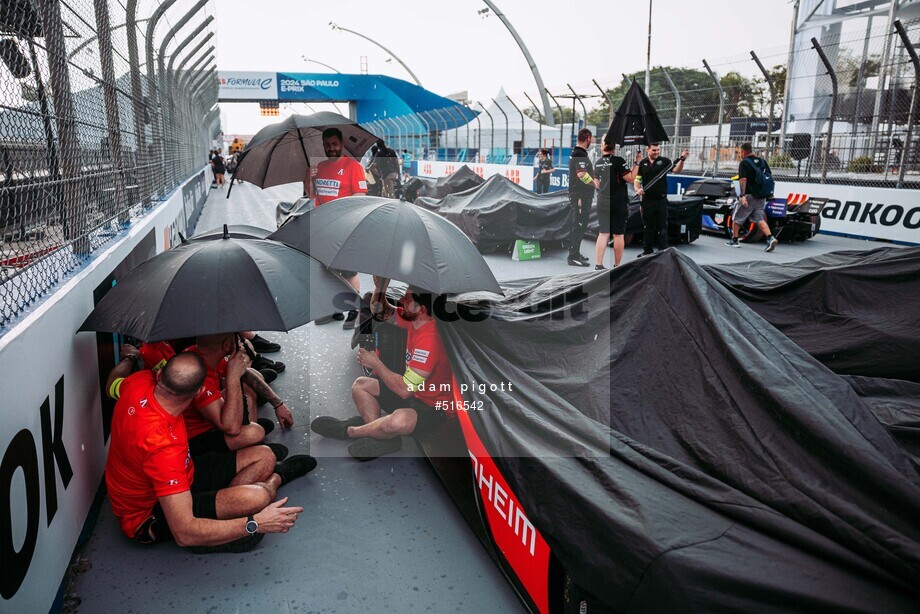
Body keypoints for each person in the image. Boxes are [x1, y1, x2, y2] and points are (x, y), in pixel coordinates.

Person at [105, 352, 315, 553]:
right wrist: (256, 523)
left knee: (265, 455)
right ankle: (275, 480)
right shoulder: (164, 448)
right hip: (150, 513)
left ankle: (237, 503)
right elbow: (184, 533)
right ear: (197, 392)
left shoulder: (138, 382)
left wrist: (129, 358)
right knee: (258, 497)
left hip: (182, 474)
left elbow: (111, 384)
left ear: (159, 375)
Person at [310, 277, 452, 461]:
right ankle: (384, 437)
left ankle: (351, 431)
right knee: (361, 385)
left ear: (421, 309)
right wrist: (381, 286)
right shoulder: (415, 321)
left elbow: (404, 390)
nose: (401, 300)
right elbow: (381, 313)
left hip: (433, 407)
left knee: (398, 419)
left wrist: (375, 363)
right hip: (415, 395)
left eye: (407, 299)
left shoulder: (430, 340)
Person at [305, 127, 368, 329]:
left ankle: (353, 310)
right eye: (327, 144)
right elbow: (311, 196)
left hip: (345, 226)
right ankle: (332, 310)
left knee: (348, 271)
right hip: (323, 227)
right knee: (327, 269)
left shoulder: (353, 166)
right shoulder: (319, 167)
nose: (330, 148)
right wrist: (308, 177)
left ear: (341, 144)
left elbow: (361, 196)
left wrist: (340, 213)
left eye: (334, 144)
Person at [634, 143, 689, 257]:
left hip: (661, 200)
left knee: (662, 227)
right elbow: (637, 179)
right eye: (654, 150)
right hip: (647, 200)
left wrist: (682, 159)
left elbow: (676, 170)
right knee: (647, 227)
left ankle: (663, 251)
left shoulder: (665, 161)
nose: (656, 152)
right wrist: (637, 189)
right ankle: (647, 251)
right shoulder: (643, 163)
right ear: (647, 149)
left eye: (658, 150)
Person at [594, 142, 641, 269]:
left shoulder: (597, 162)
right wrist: (637, 163)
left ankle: (598, 265)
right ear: (614, 147)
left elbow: (597, 185)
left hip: (602, 202)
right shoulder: (619, 161)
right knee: (618, 234)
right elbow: (631, 178)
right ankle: (617, 266)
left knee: (603, 233)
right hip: (619, 202)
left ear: (602, 146)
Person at [725, 142, 778, 252]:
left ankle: (735, 240)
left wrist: (742, 195)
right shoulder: (762, 161)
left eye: (740, 152)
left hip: (749, 196)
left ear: (743, 151)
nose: (740, 154)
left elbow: (743, 180)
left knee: (736, 217)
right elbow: (769, 177)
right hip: (761, 196)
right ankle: (770, 238)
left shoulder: (744, 163)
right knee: (759, 218)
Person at [567, 129, 599, 267]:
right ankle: (573, 256)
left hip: (581, 195)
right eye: (591, 138)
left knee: (581, 224)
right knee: (579, 224)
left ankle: (576, 252)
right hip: (580, 196)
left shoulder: (578, 153)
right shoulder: (579, 154)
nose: (592, 141)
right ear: (587, 138)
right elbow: (582, 175)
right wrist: (596, 184)